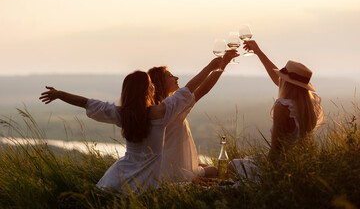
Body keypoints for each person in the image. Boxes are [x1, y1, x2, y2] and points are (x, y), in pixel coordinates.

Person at [39, 51, 238, 192]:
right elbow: (191, 88)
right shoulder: (162, 112)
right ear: (148, 91)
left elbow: (87, 103)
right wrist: (213, 65)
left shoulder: (123, 114)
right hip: (148, 181)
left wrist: (59, 94)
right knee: (213, 171)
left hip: (117, 177)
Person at [229, 40, 324, 182]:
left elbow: (276, 150)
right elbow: (279, 80)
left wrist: (268, 176)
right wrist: (258, 52)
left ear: (286, 82)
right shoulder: (310, 104)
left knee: (231, 166)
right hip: (299, 162)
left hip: (281, 166)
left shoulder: (283, 107)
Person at [148, 50, 239, 181]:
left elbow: (201, 90)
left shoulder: (156, 108)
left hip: (164, 166)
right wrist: (219, 66)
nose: (176, 78)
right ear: (160, 83)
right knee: (215, 170)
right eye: (170, 76)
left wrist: (222, 65)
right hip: (175, 171)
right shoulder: (171, 108)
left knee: (203, 165)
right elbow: (202, 90)